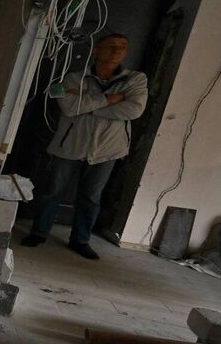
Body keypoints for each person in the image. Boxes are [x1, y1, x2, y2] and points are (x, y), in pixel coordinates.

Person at [20, 33, 148, 260]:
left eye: (123, 47)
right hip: (70, 145)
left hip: (107, 149)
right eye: (111, 46)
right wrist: (111, 99)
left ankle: (80, 240)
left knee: (91, 197)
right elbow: (69, 108)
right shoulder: (74, 79)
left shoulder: (134, 80)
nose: (117, 51)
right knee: (52, 192)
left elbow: (133, 110)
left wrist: (87, 105)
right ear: (97, 51)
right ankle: (39, 233)